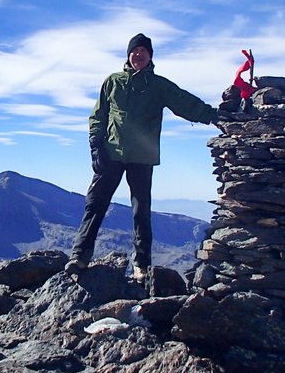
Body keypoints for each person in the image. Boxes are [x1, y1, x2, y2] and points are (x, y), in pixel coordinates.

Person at [65, 33, 219, 281]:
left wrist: (213, 115)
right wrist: (95, 145)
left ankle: (142, 264)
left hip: (142, 157)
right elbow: (98, 116)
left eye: (143, 51)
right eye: (134, 50)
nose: (138, 55)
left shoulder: (158, 86)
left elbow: (184, 102)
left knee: (141, 211)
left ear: (150, 57)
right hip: (111, 153)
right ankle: (79, 257)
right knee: (95, 204)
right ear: (128, 55)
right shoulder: (113, 82)